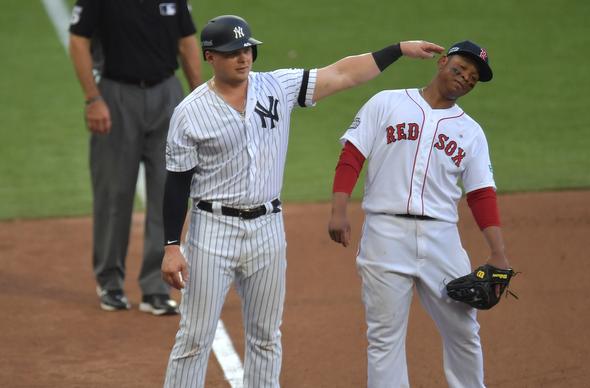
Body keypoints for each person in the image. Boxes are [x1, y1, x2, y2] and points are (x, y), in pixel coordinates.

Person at [160, 14, 444, 388]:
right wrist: (171, 246)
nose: (243, 58)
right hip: (213, 230)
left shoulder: (276, 86)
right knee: (195, 337)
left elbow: (341, 74)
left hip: (267, 229)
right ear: (211, 57)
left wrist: (397, 50)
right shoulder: (189, 113)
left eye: (247, 49)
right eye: (232, 52)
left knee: (266, 334)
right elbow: (176, 184)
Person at [327, 40, 512, 387]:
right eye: (460, 70)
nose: (464, 80)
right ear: (442, 63)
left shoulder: (471, 132)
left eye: (472, 79)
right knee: (385, 338)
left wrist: (498, 251)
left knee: (463, 328)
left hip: (441, 239)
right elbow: (352, 156)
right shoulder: (387, 103)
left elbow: (481, 194)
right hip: (385, 234)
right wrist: (339, 209)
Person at [68, 0, 202, 315]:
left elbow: (186, 42)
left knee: (167, 191)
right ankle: (111, 283)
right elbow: (78, 40)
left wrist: (199, 96)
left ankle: (157, 287)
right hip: (117, 95)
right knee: (114, 193)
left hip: (168, 94)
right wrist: (93, 99)